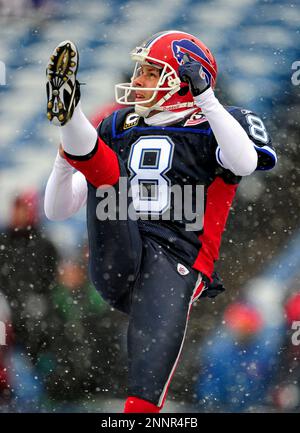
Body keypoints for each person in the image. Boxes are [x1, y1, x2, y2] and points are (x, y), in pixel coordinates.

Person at [44, 31, 277, 413]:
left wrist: (206, 99)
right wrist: (63, 158)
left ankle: (73, 121)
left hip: (177, 261)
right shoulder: (121, 126)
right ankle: (70, 117)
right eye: (140, 72)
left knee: (144, 393)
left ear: (184, 81)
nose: (137, 81)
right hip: (121, 248)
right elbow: (57, 209)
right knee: (112, 178)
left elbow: (244, 162)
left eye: (150, 72)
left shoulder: (218, 124)